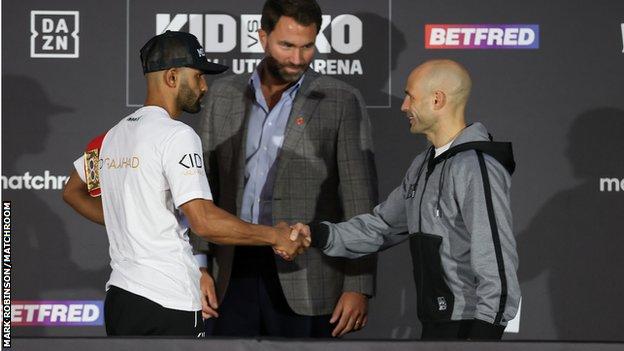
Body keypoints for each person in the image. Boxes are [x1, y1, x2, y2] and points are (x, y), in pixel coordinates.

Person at [62, 30, 309, 336]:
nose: (204, 87)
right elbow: (203, 222)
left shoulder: (110, 138)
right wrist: (274, 236)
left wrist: (131, 219)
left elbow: (72, 191)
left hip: (121, 300)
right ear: (172, 77)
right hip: (169, 301)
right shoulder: (177, 135)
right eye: (198, 77)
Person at [191, 0, 378, 338]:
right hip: (229, 272)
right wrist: (199, 266)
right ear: (262, 37)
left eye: (308, 46)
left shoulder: (340, 100)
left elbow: (358, 197)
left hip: (309, 274)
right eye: (287, 45)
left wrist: (358, 284)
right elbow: (203, 188)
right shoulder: (222, 95)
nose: (297, 58)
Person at [304, 59, 521, 340]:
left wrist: (482, 339)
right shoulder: (423, 164)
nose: (404, 106)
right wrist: (315, 234)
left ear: (437, 99)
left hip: (468, 328)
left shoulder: (475, 165)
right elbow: (381, 226)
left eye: (410, 96)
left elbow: (496, 259)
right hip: (435, 324)